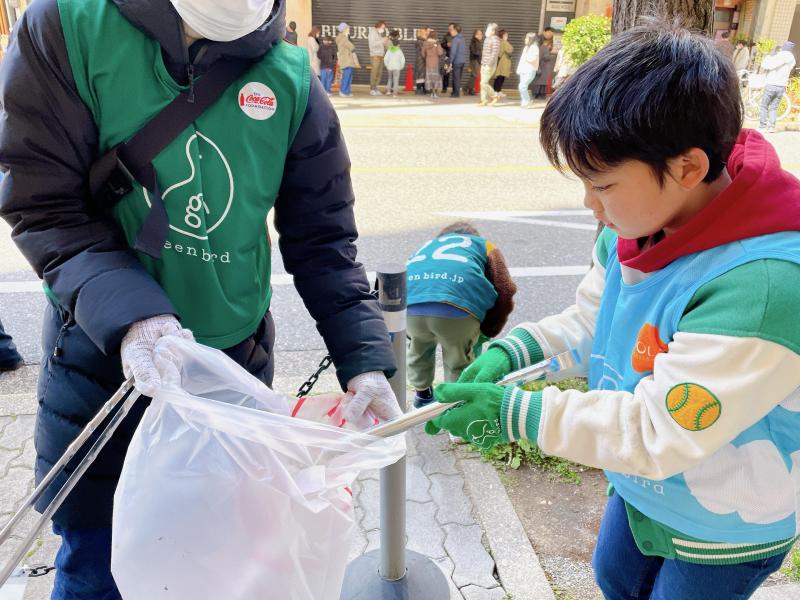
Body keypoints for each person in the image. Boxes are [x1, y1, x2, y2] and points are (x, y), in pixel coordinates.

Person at [0, 1, 401, 597]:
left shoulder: (290, 78)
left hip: (232, 377)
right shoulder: (66, 26)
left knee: (221, 566)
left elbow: (325, 244)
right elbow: (44, 205)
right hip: (105, 370)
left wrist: (365, 358)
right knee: (98, 565)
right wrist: (137, 317)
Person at [427, 18, 800, 600]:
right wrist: (514, 350)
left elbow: (659, 430)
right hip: (643, 485)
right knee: (614, 580)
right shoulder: (639, 227)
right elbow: (593, 322)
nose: (590, 207)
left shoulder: (763, 286)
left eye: (601, 186)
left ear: (689, 167)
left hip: (725, 522)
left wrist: (515, 416)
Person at [406, 222, 516, 408]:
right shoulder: (484, 245)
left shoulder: (428, 246)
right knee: (457, 359)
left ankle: (422, 396)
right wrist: (490, 328)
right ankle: (454, 405)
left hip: (410, 307)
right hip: (456, 310)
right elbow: (505, 288)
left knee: (418, 349)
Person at [759, 41, 796, 133]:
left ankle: (762, 126)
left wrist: (771, 54)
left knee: (764, 106)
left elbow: (766, 65)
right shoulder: (792, 59)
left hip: (772, 83)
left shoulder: (780, 56)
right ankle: (771, 126)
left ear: (784, 47)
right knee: (774, 107)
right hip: (781, 86)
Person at [479, 23, 501, 106]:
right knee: (483, 83)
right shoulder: (487, 39)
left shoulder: (495, 40)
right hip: (484, 63)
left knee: (483, 83)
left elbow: (494, 54)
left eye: (489, 29)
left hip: (489, 64)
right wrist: (482, 63)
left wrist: (489, 64)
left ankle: (495, 96)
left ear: (494, 31)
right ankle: (483, 100)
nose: (487, 30)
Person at [517, 32, 540, 107]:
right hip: (523, 69)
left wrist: (526, 57)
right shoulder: (526, 48)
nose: (525, 39)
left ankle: (527, 101)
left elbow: (533, 59)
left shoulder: (535, 47)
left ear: (531, 39)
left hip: (530, 69)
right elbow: (521, 60)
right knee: (523, 86)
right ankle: (525, 101)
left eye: (527, 38)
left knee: (522, 86)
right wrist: (519, 69)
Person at [532, 28, 555, 98]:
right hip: (540, 62)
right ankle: (537, 94)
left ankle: (541, 94)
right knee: (539, 78)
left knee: (543, 79)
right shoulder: (540, 39)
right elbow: (541, 52)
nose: (550, 35)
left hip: (544, 64)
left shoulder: (549, 40)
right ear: (545, 31)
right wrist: (550, 56)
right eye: (549, 33)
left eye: (551, 34)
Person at [368, 20, 389, 96]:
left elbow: (381, 44)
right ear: (378, 26)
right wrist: (382, 40)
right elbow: (373, 44)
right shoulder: (372, 33)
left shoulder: (378, 34)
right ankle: (372, 89)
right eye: (382, 27)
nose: (383, 29)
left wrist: (385, 41)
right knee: (374, 73)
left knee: (379, 73)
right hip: (375, 56)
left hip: (380, 56)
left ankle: (376, 88)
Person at [336, 22, 357, 97]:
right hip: (346, 60)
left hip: (346, 60)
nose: (349, 30)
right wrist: (348, 38)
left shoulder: (342, 37)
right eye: (348, 29)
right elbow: (352, 47)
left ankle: (347, 91)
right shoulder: (343, 38)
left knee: (348, 76)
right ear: (344, 29)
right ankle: (343, 91)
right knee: (347, 76)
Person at [422, 30, 444, 99]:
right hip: (435, 62)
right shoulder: (437, 43)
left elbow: (423, 53)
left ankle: (432, 93)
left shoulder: (425, 43)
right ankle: (435, 93)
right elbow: (440, 53)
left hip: (428, 62)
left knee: (430, 78)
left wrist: (426, 57)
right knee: (436, 78)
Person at [383, 31, 405, 97]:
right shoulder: (399, 51)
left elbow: (385, 58)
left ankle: (388, 91)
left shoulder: (389, 50)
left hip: (389, 67)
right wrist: (401, 66)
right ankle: (395, 93)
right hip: (397, 67)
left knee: (389, 79)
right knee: (396, 80)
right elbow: (402, 60)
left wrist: (386, 65)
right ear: (398, 44)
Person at [492, 29, 513, 96]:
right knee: (500, 77)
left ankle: (498, 90)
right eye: (506, 35)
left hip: (503, 62)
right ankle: (496, 91)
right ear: (503, 35)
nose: (507, 36)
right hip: (502, 62)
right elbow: (507, 51)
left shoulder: (501, 42)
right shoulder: (503, 42)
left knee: (500, 77)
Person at [448, 23, 466, 98]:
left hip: (457, 61)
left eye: (452, 30)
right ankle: (455, 92)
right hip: (462, 61)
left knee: (456, 78)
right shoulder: (462, 38)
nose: (450, 32)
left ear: (455, 30)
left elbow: (453, 52)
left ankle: (456, 93)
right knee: (458, 78)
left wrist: (450, 61)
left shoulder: (455, 39)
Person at [467, 29, 483, 96]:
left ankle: (469, 89)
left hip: (476, 60)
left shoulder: (477, 41)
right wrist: (480, 54)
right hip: (475, 60)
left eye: (481, 34)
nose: (481, 35)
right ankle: (467, 89)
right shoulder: (474, 41)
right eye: (479, 34)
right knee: (474, 75)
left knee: (474, 75)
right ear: (475, 35)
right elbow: (474, 52)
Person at [415, 27, 430, 95]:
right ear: (422, 34)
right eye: (425, 33)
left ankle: (424, 89)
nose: (427, 34)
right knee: (420, 75)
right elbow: (424, 51)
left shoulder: (422, 41)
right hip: (421, 60)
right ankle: (418, 90)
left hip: (423, 60)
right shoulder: (420, 41)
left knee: (423, 75)